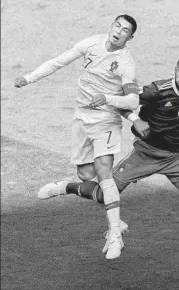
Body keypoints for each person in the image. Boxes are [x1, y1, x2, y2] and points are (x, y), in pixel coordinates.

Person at [37, 55, 179, 277]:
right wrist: (136, 119)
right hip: (146, 154)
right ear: (175, 69)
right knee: (103, 195)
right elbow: (121, 101)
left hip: (178, 158)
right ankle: (65, 187)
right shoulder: (157, 90)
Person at [14, 14, 140, 260]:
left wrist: (108, 99)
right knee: (86, 175)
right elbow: (59, 61)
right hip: (82, 118)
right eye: (117, 25)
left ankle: (115, 234)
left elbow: (133, 100)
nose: (118, 31)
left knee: (105, 173)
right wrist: (29, 78)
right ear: (111, 25)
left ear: (130, 37)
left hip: (106, 119)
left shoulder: (126, 63)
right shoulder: (91, 43)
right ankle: (66, 187)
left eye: (125, 30)